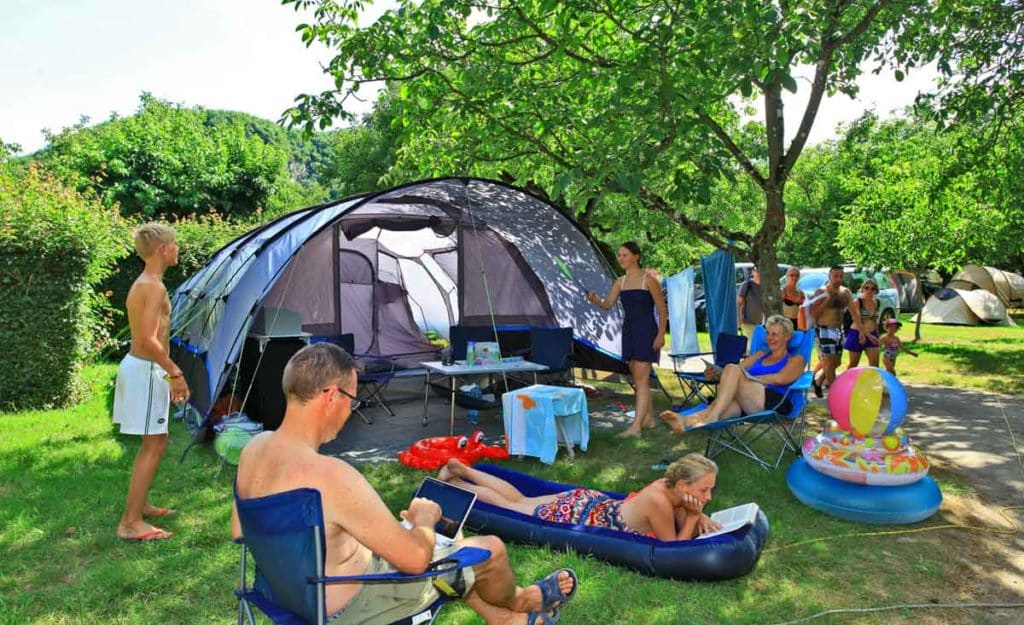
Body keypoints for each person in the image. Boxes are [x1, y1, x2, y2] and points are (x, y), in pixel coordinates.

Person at [231, 343, 577, 625]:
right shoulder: (332, 475)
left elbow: (239, 531)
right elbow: (414, 561)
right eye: (353, 400)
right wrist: (424, 521)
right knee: (489, 549)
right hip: (352, 608)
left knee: (443, 546)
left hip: (286, 594)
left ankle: (501, 619)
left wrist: (350, 537)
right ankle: (522, 599)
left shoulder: (253, 450)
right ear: (331, 396)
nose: (351, 410)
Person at [437, 453, 721, 541]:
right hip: (578, 513)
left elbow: (682, 506)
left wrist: (700, 512)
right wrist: (695, 516)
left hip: (588, 502)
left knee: (519, 499)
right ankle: (456, 487)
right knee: (510, 505)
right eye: (703, 490)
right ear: (683, 485)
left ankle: (462, 469)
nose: (708, 496)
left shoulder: (667, 484)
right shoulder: (659, 501)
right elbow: (672, 551)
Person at [113, 223, 189, 542]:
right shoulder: (152, 287)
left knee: (155, 441)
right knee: (154, 443)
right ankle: (130, 523)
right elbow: (146, 340)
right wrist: (175, 372)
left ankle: (140, 505)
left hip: (146, 369)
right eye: (174, 245)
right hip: (146, 369)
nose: (177, 249)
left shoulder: (150, 282)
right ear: (162, 249)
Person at [659, 315, 805, 431]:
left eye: (775, 334)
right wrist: (717, 373)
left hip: (775, 401)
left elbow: (780, 379)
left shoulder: (796, 359)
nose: (770, 338)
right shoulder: (760, 354)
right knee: (730, 399)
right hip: (747, 402)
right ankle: (686, 420)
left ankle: (712, 417)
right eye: (768, 333)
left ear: (787, 337)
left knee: (732, 373)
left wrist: (747, 379)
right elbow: (734, 371)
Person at [586, 242, 667, 438]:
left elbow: (662, 310)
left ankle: (636, 428)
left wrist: (661, 335)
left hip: (646, 331)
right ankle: (649, 419)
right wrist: (595, 300)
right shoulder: (619, 282)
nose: (621, 258)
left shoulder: (649, 281)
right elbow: (607, 305)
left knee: (641, 380)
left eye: (625, 255)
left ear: (636, 256)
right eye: (619, 255)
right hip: (629, 331)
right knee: (640, 380)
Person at [809, 266, 857, 397]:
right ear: (829, 276)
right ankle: (836, 396)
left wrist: (864, 332)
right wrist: (825, 302)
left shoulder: (845, 292)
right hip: (824, 329)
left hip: (838, 330)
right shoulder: (821, 292)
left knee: (837, 362)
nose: (838, 279)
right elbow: (813, 314)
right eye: (835, 276)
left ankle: (818, 382)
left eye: (841, 276)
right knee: (830, 363)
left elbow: (855, 314)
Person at [844, 278, 882, 369]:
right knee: (853, 364)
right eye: (867, 288)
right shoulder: (857, 302)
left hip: (872, 334)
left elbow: (874, 320)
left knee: (875, 364)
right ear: (862, 289)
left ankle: (873, 383)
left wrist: (877, 335)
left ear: (876, 291)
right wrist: (863, 334)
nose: (869, 290)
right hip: (857, 333)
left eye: (872, 289)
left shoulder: (876, 302)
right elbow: (857, 320)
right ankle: (846, 382)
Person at [737, 266, 765, 338]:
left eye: (761, 271)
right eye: (756, 271)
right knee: (750, 346)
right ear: (753, 272)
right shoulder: (747, 285)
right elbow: (738, 304)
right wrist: (739, 323)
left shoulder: (766, 287)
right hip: (747, 323)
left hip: (760, 325)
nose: (759, 273)